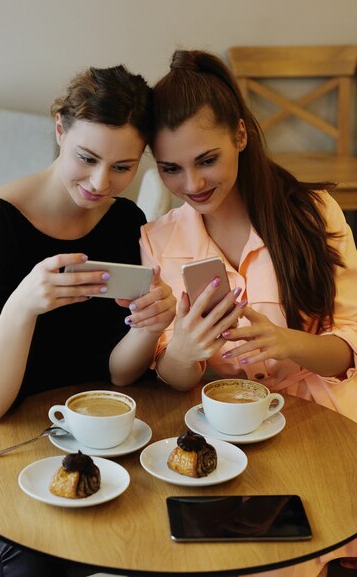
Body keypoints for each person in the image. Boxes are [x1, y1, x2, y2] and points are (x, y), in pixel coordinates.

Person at [0, 63, 175, 577]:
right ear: (59, 128)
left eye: (122, 167)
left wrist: (150, 325)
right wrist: (24, 304)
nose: (99, 182)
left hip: (70, 436)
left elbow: (116, 375)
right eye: (87, 158)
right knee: (35, 549)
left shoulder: (125, 223)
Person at [139, 49, 357, 577]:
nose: (192, 185)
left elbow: (349, 343)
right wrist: (185, 355)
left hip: (325, 425)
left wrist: (291, 344)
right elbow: (166, 371)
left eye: (206, 159)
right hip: (224, 433)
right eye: (171, 168)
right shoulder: (158, 239)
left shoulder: (314, 214)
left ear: (240, 135)